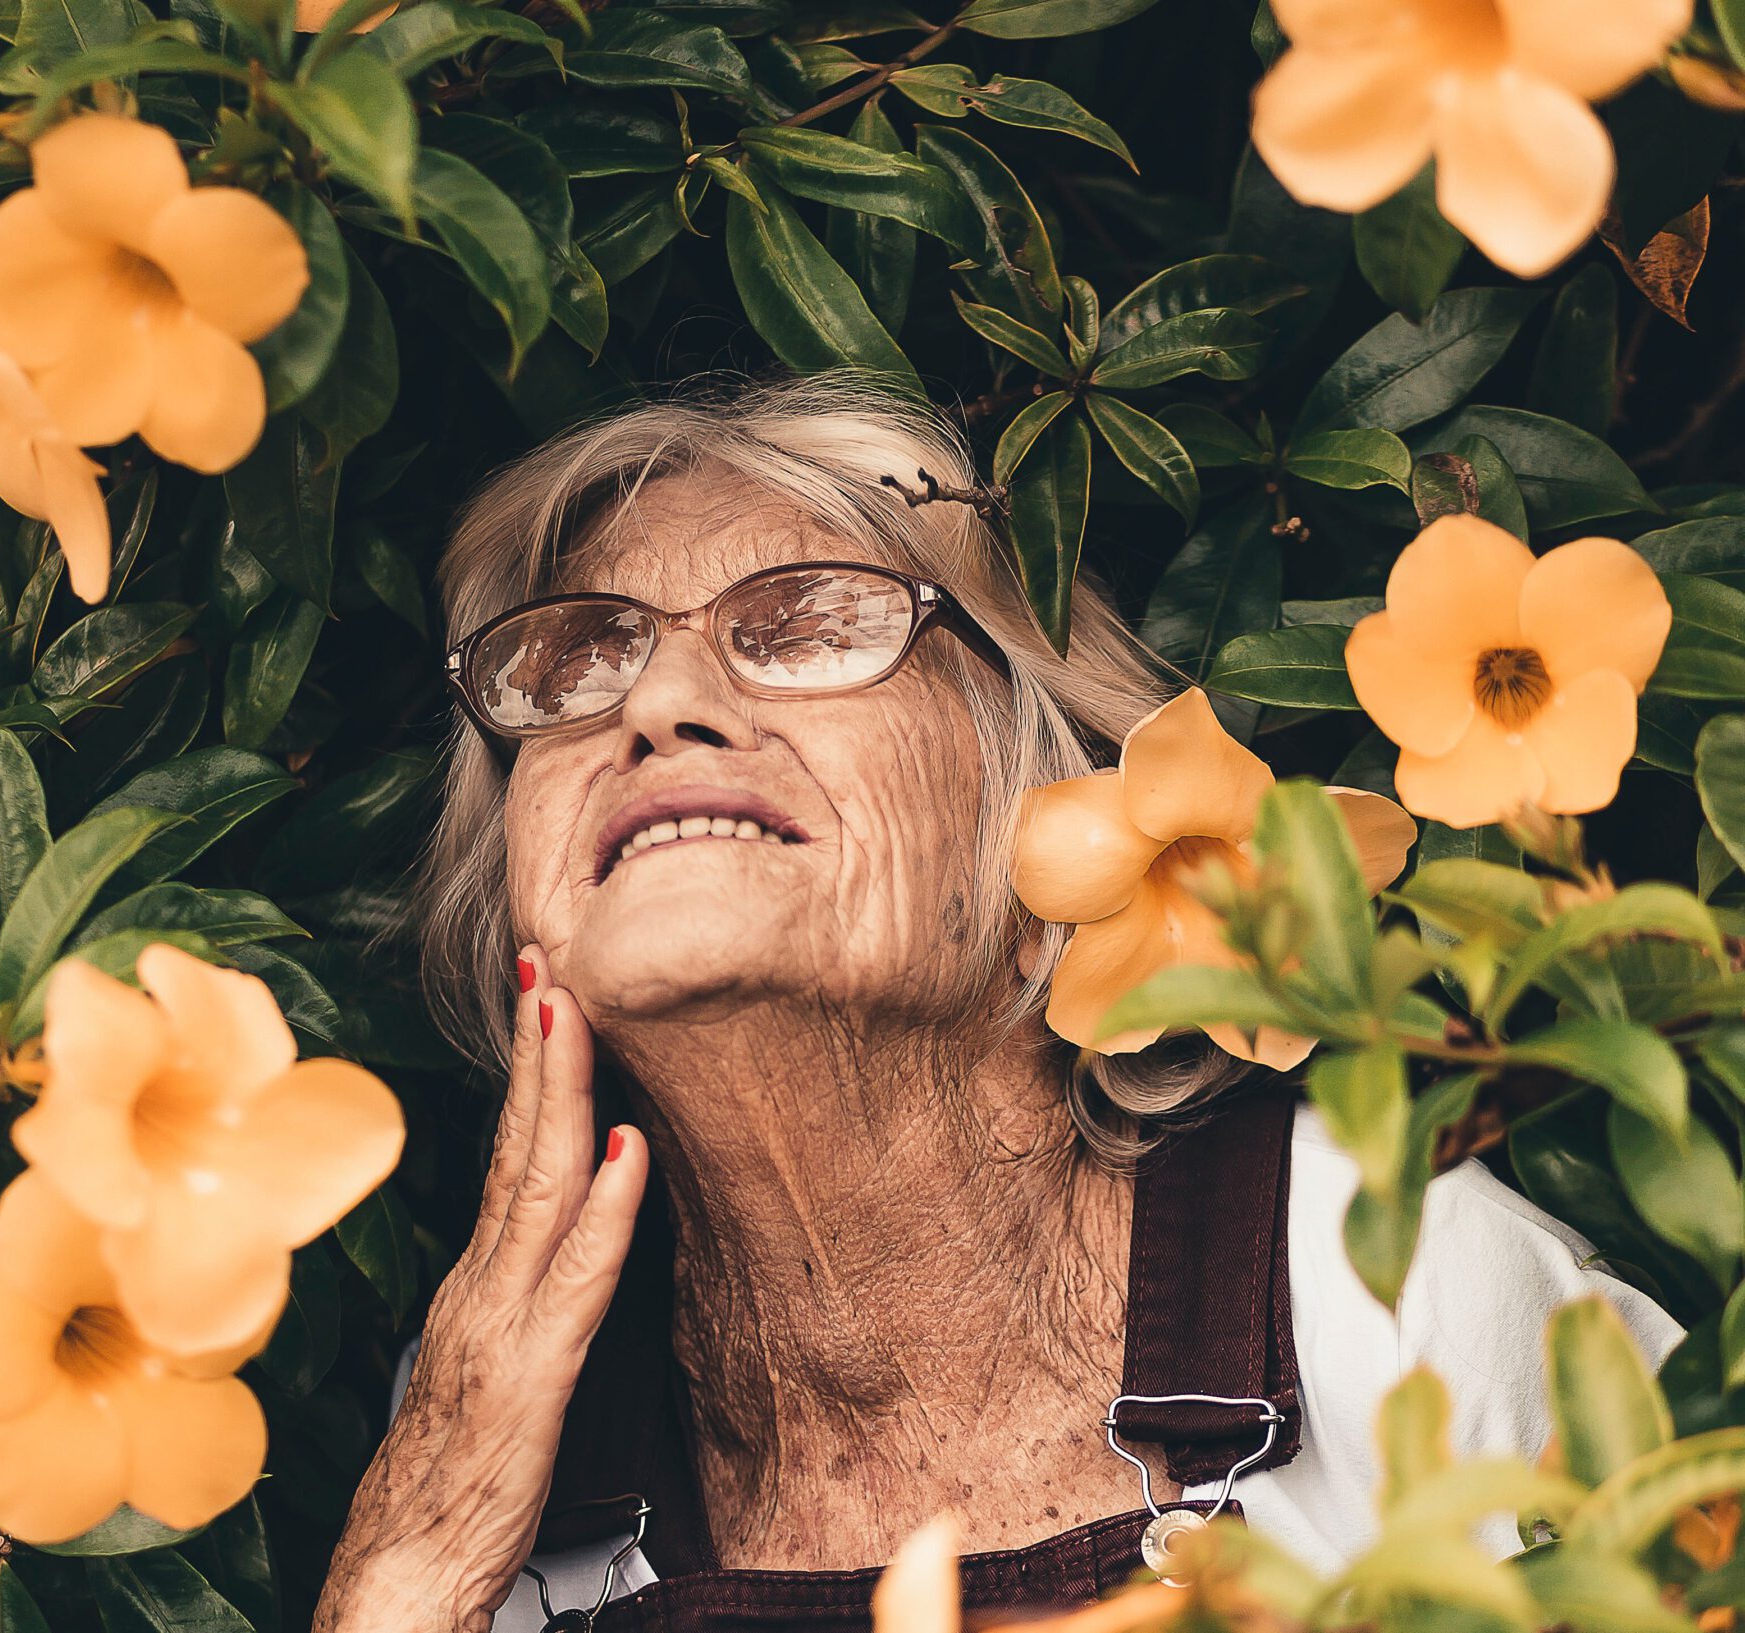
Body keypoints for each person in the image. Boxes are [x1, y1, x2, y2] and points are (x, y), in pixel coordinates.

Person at [311, 375, 1680, 1633]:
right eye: (572, 661)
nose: (661, 701)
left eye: (803, 620)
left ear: (1051, 786)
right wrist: (412, 1562)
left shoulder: (1387, 1286)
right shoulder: (495, 1402)